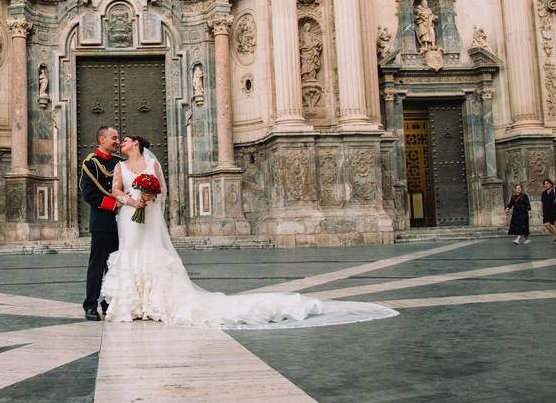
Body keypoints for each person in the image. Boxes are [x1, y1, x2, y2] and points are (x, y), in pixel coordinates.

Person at [99, 135, 396, 328]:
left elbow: (160, 187)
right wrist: (129, 199)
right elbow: (115, 189)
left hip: (147, 214)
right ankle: (133, 302)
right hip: (128, 215)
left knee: (151, 252)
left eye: (124, 140)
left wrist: (149, 196)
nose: (121, 143)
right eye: (118, 140)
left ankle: (152, 302)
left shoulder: (151, 163)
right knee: (131, 254)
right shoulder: (119, 166)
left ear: (136, 144)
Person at [79, 126, 123, 321]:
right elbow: (88, 193)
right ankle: (90, 305)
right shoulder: (92, 163)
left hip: (122, 224)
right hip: (102, 221)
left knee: (115, 266)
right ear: (102, 139)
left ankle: (109, 303)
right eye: (114, 138)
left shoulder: (120, 163)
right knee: (97, 265)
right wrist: (114, 204)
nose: (117, 141)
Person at [540, 178, 556, 245]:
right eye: (545, 184)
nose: (546, 185)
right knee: (546, 224)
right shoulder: (544, 193)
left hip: (554, 209)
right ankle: (555, 235)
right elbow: (542, 202)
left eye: (547, 183)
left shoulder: (555, 190)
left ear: (551, 184)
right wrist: (541, 210)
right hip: (546, 210)